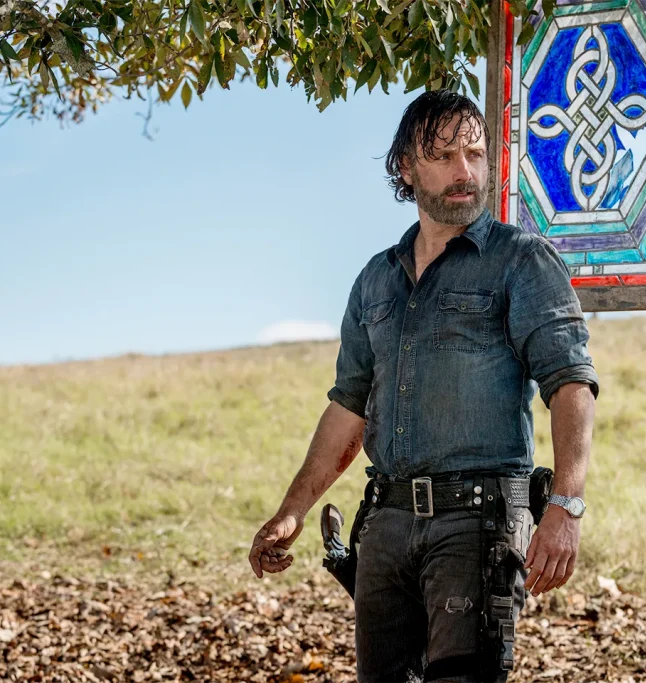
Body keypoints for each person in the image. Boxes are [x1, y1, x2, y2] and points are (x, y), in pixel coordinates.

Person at [247, 90, 599, 683]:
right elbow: (349, 405)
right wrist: (293, 509)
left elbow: (571, 383)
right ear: (405, 168)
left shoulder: (522, 260)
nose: (465, 172)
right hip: (384, 525)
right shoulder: (375, 280)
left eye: (476, 154)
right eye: (443, 156)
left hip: (478, 524)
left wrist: (565, 506)